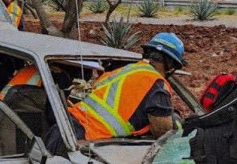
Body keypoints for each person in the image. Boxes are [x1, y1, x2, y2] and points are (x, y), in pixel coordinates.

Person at [45, 32, 186, 156]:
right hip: (81, 144)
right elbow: (164, 134)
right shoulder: (156, 84)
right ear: (172, 66)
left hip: (62, 130)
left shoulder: (124, 71)